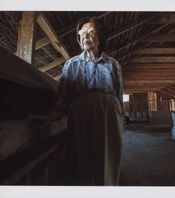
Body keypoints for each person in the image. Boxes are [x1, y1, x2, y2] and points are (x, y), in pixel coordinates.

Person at [47, 17, 124, 186]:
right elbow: (63, 96)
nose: (85, 36)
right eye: (82, 33)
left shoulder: (113, 64)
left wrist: (120, 120)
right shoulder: (71, 64)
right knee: (81, 157)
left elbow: (119, 95)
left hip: (108, 113)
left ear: (100, 37)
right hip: (80, 113)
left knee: (107, 157)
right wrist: (50, 117)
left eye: (90, 32)